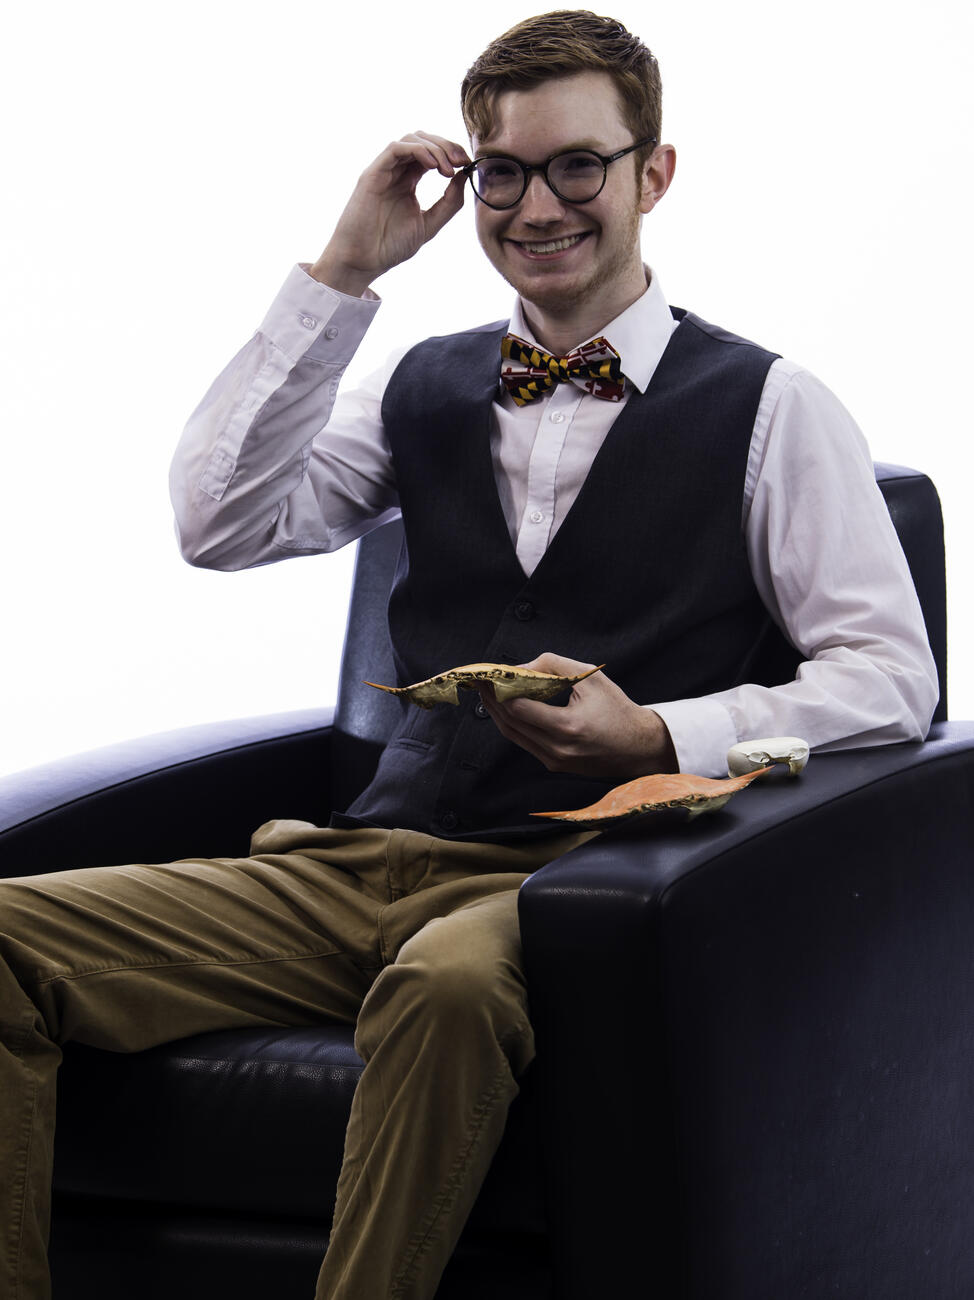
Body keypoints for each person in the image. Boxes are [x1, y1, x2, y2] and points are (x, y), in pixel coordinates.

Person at [0, 10, 937, 1300]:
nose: (537, 204)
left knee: (445, 991)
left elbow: (892, 678)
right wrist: (341, 270)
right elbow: (219, 524)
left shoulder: (774, 406)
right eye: (503, 170)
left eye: (578, 165)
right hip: (360, 863)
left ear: (651, 174)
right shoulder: (420, 388)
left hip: (582, 880)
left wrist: (665, 736)